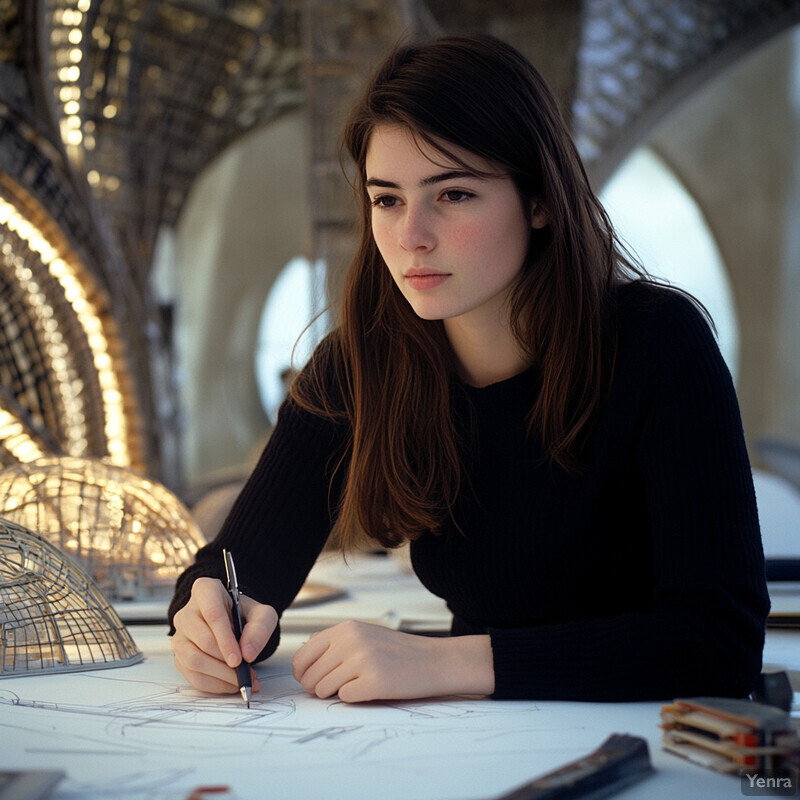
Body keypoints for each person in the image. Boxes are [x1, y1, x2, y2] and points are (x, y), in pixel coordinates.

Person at [168, 34, 769, 704]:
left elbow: (717, 645)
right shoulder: (359, 365)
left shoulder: (659, 344)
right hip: (460, 747)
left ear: (539, 200)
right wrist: (209, 618)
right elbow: (237, 570)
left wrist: (442, 664)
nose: (411, 236)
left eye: (452, 195)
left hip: (652, 743)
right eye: (387, 199)